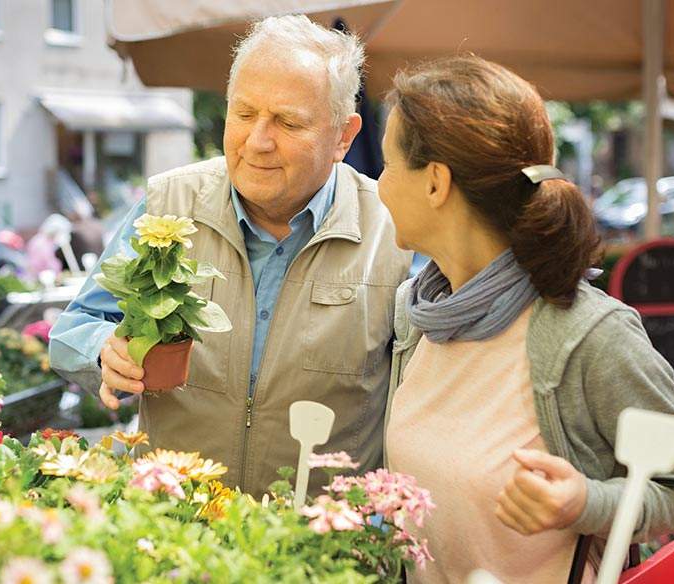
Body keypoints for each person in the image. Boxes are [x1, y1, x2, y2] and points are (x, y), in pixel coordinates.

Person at [379, 56, 674, 583]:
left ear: (435, 183)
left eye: (386, 165)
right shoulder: (419, 316)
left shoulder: (587, 333)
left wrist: (586, 502)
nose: (378, 185)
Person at [49, 15, 413, 497]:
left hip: (321, 545)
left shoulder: (395, 229)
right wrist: (104, 351)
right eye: (244, 113)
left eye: (288, 121)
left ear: (343, 137)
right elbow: (71, 331)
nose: (257, 141)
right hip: (178, 529)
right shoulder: (166, 206)